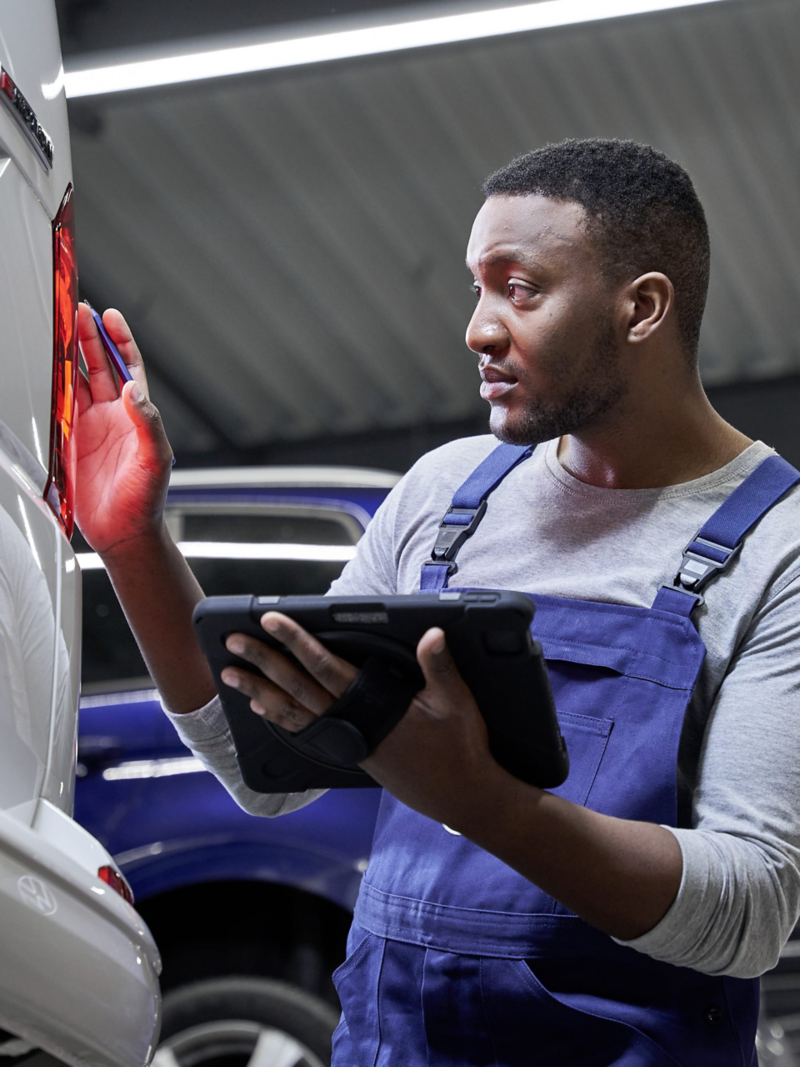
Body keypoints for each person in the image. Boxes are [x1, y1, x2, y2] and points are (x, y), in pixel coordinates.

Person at [75, 138, 800, 1066]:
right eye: (476, 288)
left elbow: (750, 911)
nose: (479, 329)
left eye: (521, 287)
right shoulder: (447, 494)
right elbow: (267, 767)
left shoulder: (776, 546)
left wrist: (484, 801)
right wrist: (133, 538)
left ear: (643, 307)